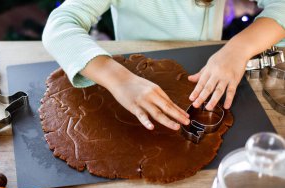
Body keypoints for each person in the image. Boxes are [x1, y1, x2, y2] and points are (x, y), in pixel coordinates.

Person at [42, 0, 285, 131]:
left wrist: (238, 49)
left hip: (208, 69)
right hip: (135, 77)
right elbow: (60, 25)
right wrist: (119, 79)